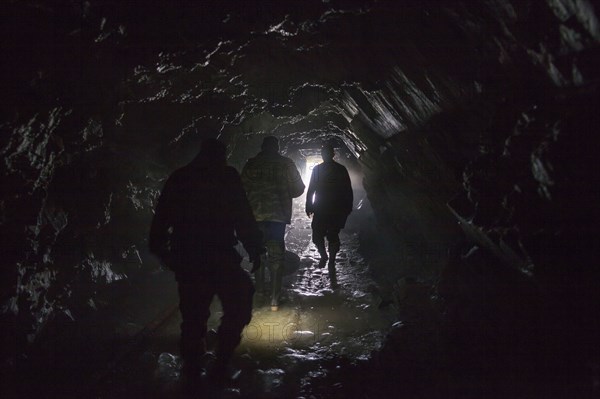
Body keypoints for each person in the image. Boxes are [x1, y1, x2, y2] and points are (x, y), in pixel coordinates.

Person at [148, 138, 263, 384]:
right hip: (219, 257)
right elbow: (242, 214)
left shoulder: (180, 177)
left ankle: (193, 370)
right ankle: (217, 363)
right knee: (238, 304)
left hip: (191, 259)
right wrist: (254, 247)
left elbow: (160, 221)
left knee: (193, 317)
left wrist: (165, 253)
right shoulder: (227, 176)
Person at [241, 136, 305, 311]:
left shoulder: (251, 164)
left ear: (262, 147)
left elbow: (241, 189)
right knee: (276, 256)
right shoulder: (286, 164)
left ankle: (260, 291)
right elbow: (299, 189)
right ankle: (274, 299)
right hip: (277, 217)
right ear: (277, 148)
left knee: (258, 253)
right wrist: (283, 191)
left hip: (255, 217)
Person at [305, 143, 353, 287]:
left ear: (332, 154)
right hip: (325, 208)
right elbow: (311, 188)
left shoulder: (335, 170)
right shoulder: (326, 169)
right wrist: (309, 205)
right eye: (324, 153)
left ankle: (330, 258)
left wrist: (348, 206)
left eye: (327, 153)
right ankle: (325, 255)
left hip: (330, 208)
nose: (325, 155)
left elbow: (347, 190)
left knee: (329, 234)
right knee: (320, 235)